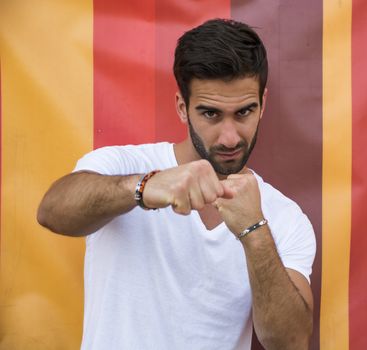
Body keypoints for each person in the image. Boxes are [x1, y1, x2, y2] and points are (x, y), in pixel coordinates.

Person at [37, 18, 316, 350]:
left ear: (263, 105)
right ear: (183, 108)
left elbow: (290, 342)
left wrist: (254, 231)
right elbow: (52, 212)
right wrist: (142, 188)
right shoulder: (124, 165)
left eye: (243, 112)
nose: (230, 137)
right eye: (211, 114)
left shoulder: (284, 217)